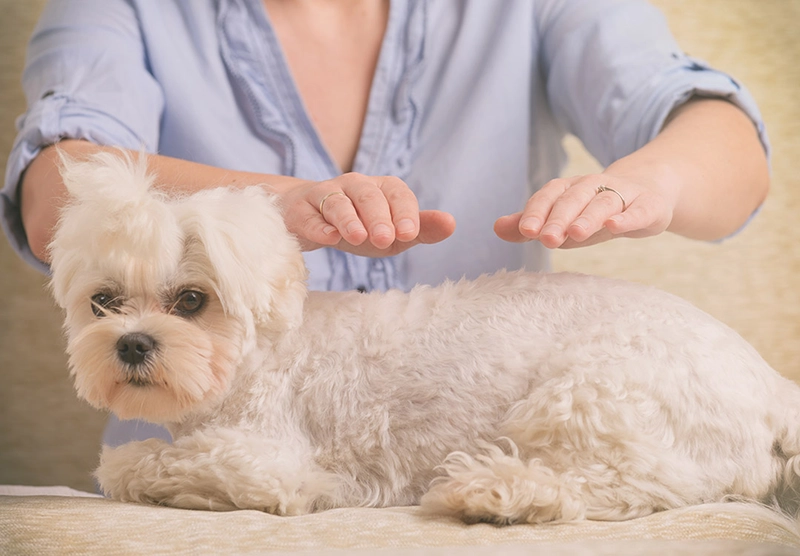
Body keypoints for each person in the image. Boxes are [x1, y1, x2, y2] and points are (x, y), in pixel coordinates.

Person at [2, 0, 769, 447]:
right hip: (197, 492)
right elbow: (52, 194)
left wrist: (655, 180)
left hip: (490, 483)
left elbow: (727, 149)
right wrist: (271, 207)